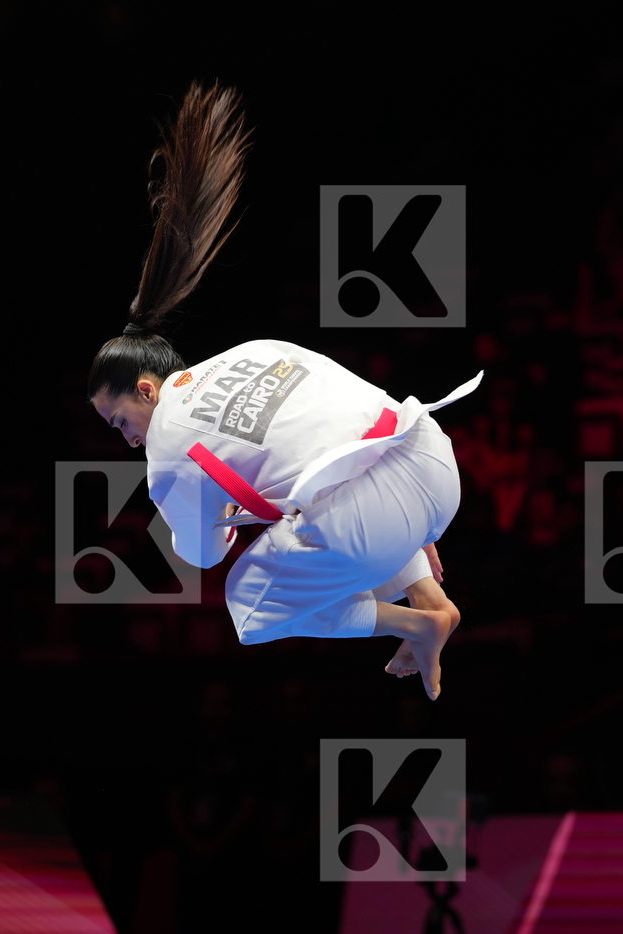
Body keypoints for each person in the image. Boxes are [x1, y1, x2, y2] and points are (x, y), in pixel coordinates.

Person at [86, 84, 474, 699]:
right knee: (329, 491)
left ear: (145, 390)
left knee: (250, 606)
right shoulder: (256, 351)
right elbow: (359, 411)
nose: (127, 436)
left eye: (119, 421)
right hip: (434, 463)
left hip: (375, 517)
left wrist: (224, 516)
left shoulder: (165, 453)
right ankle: (430, 592)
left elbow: (207, 557)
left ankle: (419, 621)